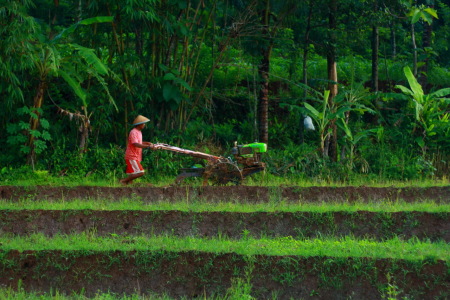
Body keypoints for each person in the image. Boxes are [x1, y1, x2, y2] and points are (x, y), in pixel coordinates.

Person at [120, 115, 157, 185]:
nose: (144, 125)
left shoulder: (139, 132)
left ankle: (127, 186)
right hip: (132, 155)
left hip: (136, 155)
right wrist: (147, 147)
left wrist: (147, 143)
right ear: (139, 124)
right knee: (140, 172)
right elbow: (135, 144)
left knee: (132, 174)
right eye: (143, 123)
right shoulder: (133, 132)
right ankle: (123, 181)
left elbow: (139, 142)